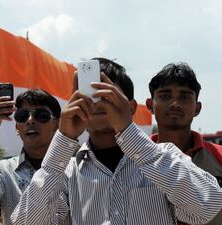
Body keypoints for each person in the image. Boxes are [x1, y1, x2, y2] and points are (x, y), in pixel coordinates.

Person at [11, 58, 222, 225]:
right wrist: (63, 139)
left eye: (107, 93)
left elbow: (207, 206)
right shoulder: (67, 171)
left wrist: (128, 131)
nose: (97, 102)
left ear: (129, 107)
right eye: (89, 93)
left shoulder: (162, 156)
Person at [0, 89, 61, 225]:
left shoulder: (74, 168)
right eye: (22, 115)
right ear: (17, 128)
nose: (30, 120)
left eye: (41, 115)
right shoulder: (3, 171)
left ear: (56, 125)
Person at [146, 62, 222, 225]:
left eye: (184, 97)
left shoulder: (219, 157)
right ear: (150, 105)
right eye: (165, 96)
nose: (175, 103)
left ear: (197, 108)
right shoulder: (132, 159)